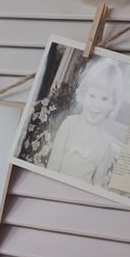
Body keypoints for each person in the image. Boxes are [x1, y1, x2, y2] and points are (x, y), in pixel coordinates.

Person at [47, 58, 122, 188]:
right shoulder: (70, 124)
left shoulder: (106, 145)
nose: (96, 104)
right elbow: (53, 164)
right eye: (92, 95)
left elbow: (97, 182)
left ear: (112, 104)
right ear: (83, 95)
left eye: (104, 98)